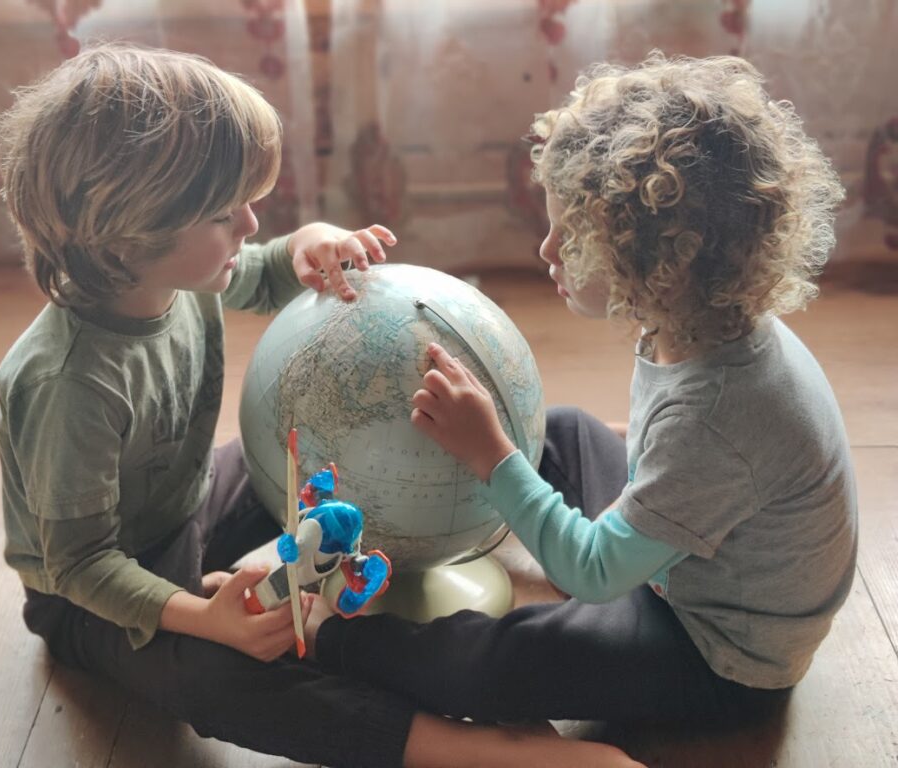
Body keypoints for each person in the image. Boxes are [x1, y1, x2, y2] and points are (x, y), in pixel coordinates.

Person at [0, 43, 641, 768]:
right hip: (95, 596)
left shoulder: (164, 275)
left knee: (327, 451)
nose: (249, 224)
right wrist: (206, 621)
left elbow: (265, 274)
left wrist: (307, 246)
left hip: (190, 499)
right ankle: (461, 747)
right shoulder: (68, 383)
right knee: (218, 683)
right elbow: (80, 565)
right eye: (223, 214)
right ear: (128, 234)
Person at [305, 51, 858, 733]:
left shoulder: (719, 415)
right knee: (564, 429)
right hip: (684, 559)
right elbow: (666, 463)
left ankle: (334, 635)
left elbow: (597, 574)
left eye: (572, 238)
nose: (545, 252)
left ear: (665, 256)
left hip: (720, 653)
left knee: (499, 668)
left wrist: (492, 456)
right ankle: (551, 535)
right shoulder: (697, 322)